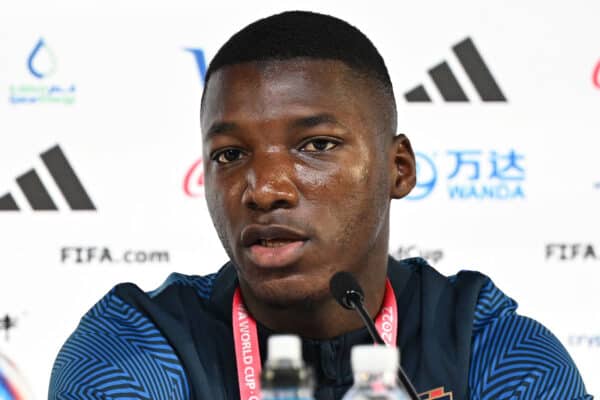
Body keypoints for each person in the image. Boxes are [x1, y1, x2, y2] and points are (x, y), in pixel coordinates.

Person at [49, 11, 591, 400]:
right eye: (231, 154)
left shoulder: (492, 350)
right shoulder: (134, 349)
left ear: (398, 169)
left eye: (316, 146)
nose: (265, 189)